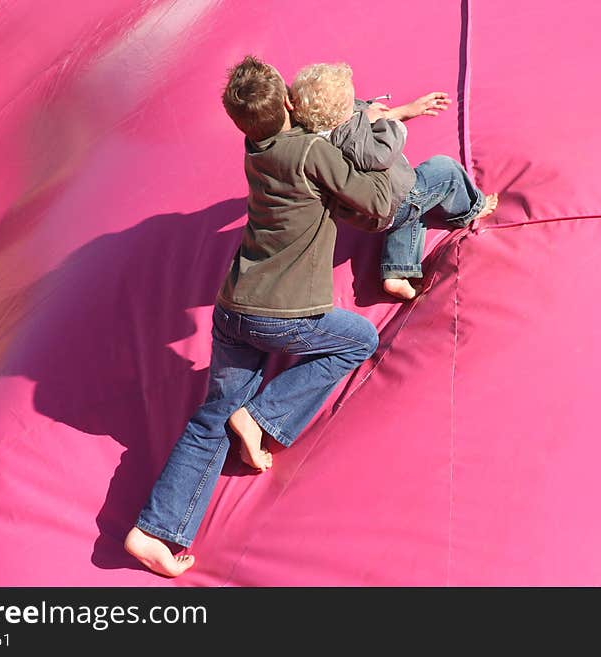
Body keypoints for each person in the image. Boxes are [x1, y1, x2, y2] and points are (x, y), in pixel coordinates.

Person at [124, 56, 395, 577]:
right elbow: (378, 204)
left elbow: (282, 134)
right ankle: (263, 416)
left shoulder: (256, 148)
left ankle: (151, 531)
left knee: (209, 420)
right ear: (291, 103)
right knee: (357, 338)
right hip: (283, 314)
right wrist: (380, 132)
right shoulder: (312, 151)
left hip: (233, 308)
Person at [290, 62, 498, 300]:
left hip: (365, 212)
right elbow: (380, 152)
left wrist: (389, 112)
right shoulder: (353, 140)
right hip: (395, 196)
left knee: (410, 213)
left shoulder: (313, 136)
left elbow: (353, 118)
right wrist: (391, 124)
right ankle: (471, 208)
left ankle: (397, 273)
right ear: (343, 114)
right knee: (445, 170)